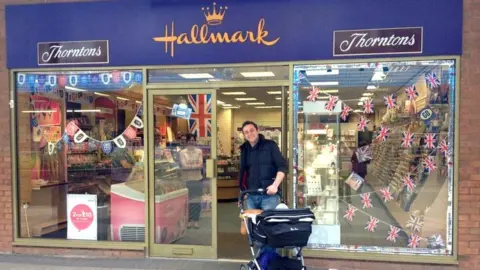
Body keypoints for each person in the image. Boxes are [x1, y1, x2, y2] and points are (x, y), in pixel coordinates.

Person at [238, 121, 287, 210]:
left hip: (269, 196)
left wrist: (275, 185)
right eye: (246, 132)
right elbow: (243, 172)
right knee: (252, 223)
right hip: (251, 196)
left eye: (252, 130)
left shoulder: (270, 145)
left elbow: (282, 166)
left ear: (257, 130)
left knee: (268, 223)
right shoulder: (244, 149)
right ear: (244, 135)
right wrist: (242, 192)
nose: (249, 134)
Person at [179, 133, 204, 229]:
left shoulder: (199, 151)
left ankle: (196, 220)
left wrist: (190, 166)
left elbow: (201, 164)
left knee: (197, 200)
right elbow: (184, 166)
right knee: (188, 201)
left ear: (195, 141)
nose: (191, 142)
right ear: (187, 141)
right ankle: (189, 220)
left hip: (198, 179)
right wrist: (195, 166)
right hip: (187, 180)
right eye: (190, 140)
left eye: (193, 140)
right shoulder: (182, 152)